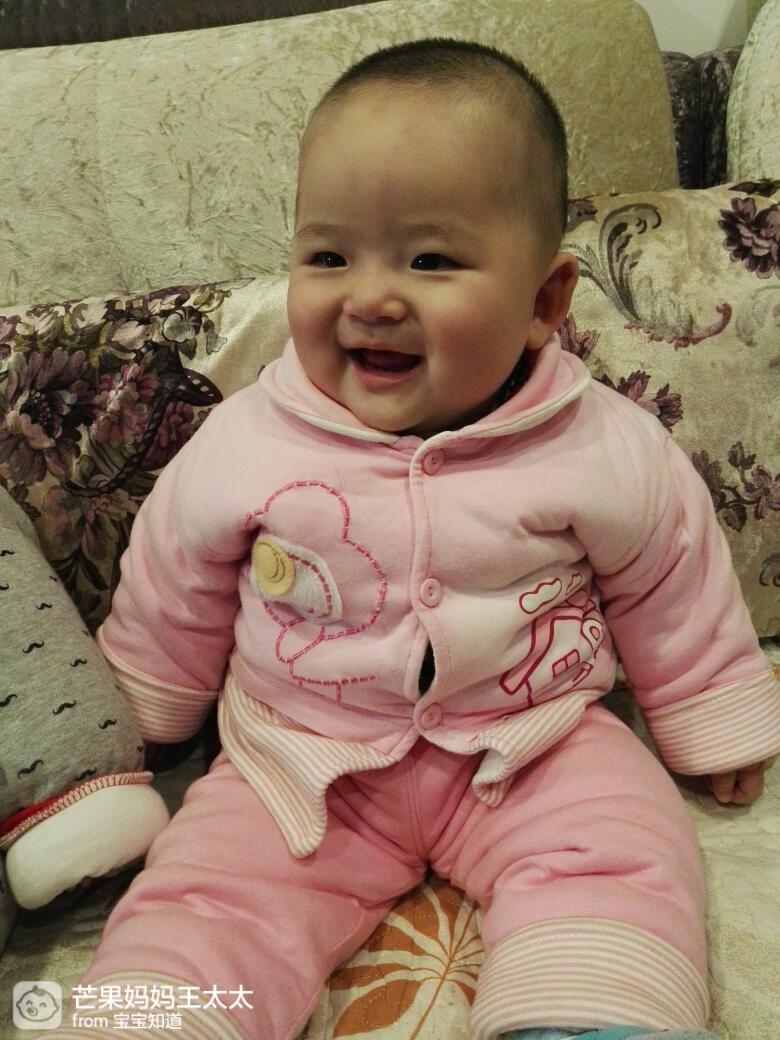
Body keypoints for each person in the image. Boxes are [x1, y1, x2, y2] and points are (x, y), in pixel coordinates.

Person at [37, 37, 780, 1040]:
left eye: (430, 260)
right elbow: (176, 581)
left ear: (544, 301)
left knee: (622, 851)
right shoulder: (247, 438)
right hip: (299, 758)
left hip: (535, 743)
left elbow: (670, 581)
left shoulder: (600, 441)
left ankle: (589, 1008)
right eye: (328, 256)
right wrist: (148, 712)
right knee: (205, 900)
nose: (372, 296)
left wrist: (709, 717)